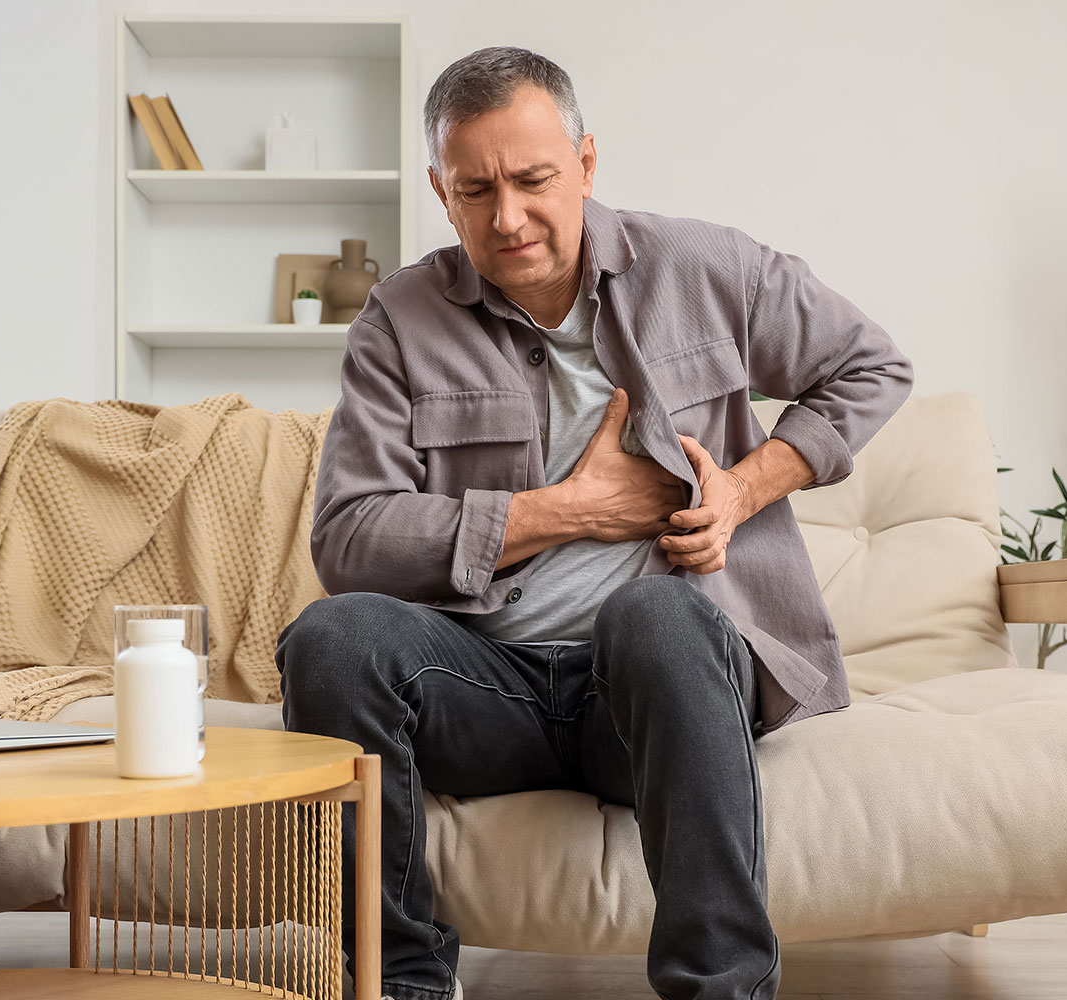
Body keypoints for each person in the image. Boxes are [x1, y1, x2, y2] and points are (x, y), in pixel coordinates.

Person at [277, 45, 912, 1000]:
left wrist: (743, 489)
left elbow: (873, 367)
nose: (509, 217)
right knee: (330, 639)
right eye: (475, 189)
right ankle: (402, 984)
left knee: (652, 618)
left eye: (534, 180)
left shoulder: (705, 267)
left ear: (585, 166)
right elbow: (348, 537)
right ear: (441, 194)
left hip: (662, 685)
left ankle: (722, 989)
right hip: (485, 683)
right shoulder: (399, 321)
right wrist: (560, 511)